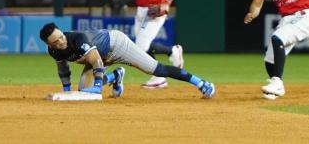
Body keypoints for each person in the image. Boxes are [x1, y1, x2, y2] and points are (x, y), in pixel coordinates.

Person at [39, 22, 215, 99]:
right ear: (49, 44)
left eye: (61, 36)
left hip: (116, 44)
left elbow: (97, 62)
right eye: (56, 41)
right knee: (84, 90)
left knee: (156, 70)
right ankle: (116, 76)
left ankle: (202, 83)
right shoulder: (54, 51)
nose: (62, 41)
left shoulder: (77, 39)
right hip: (100, 55)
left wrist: (99, 86)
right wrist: (67, 90)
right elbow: (63, 70)